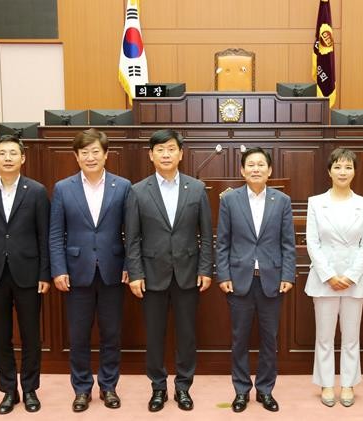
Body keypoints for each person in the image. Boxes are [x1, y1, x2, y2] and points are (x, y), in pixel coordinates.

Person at [124, 129, 213, 412]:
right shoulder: (138, 191)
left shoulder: (196, 189)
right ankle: (158, 388)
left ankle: (183, 387)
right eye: (160, 150)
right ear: (150, 155)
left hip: (188, 273)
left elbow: (206, 234)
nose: (166, 154)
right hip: (151, 274)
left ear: (181, 154)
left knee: (187, 335)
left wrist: (206, 269)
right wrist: (135, 273)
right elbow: (132, 237)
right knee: (154, 336)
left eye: (171, 149)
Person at [49, 128, 131, 412]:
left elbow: (132, 231)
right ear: (76, 156)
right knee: (79, 336)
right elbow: (56, 233)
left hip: (113, 270)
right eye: (84, 152)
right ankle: (82, 389)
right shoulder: (63, 188)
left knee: (111, 334)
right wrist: (58, 269)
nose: (90, 157)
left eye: (96, 151)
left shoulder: (123, 186)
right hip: (75, 272)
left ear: (106, 154)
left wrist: (130, 265)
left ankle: (108, 386)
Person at [0, 134, 50, 414]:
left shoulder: (36, 191)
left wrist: (45, 274)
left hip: (29, 273)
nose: (7, 158)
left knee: (31, 336)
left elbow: (44, 236)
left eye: (13, 153)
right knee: (1, 336)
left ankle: (29, 389)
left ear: (22, 158)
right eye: (2, 153)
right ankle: (8, 390)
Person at [216, 147, 296, 413]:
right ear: (242, 170)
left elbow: (288, 243)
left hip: (272, 280)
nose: (256, 169)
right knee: (239, 339)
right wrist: (223, 274)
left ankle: (265, 390)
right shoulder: (230, 200)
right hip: (239, 279)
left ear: (269, 170)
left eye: (261, 164)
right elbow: (222, 241)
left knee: (269, 339)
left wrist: (288, 274)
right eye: (250, 164)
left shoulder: (282, 200)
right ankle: (241, 391)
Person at [304, 148, 363, 408]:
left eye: (348, 167)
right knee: (324, 336)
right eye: (338, 167)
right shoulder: (315, 202)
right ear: (329, 171)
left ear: (354, 172)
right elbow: (312, 242)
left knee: (351, 337)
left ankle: (347, 383)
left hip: (355, 279)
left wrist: (351, 275)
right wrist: (330, 275)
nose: (343, 172)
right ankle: (325, 383)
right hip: (324, 279)